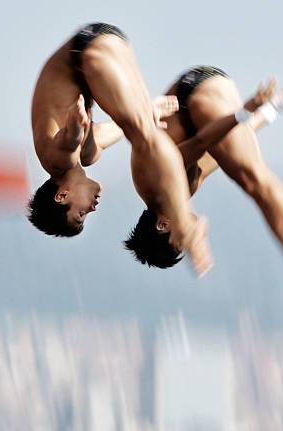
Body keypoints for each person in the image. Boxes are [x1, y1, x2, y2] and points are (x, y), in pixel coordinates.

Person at [125, 66, 283, 312]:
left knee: (255, 181)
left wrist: (246, 110)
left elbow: (200, 143)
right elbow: (223, 151)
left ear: (162, 225)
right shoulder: (185, 189)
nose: (186, 232)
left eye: (179, 240)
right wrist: (274, 108)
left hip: (192, 97)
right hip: (206, 93)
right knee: (251, 176)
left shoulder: (151, 184)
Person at [29, 22, 211, 275]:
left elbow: (67, 142)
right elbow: (117, 129)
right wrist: (147, 111)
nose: (92, 208)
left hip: (87, 51)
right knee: (141, 131)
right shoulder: (85, 156)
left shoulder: (56, 161)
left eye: (81, 213)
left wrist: (75, 126)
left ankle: (183, 222)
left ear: (62, 195)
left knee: (145, 138)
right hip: (105, 43)